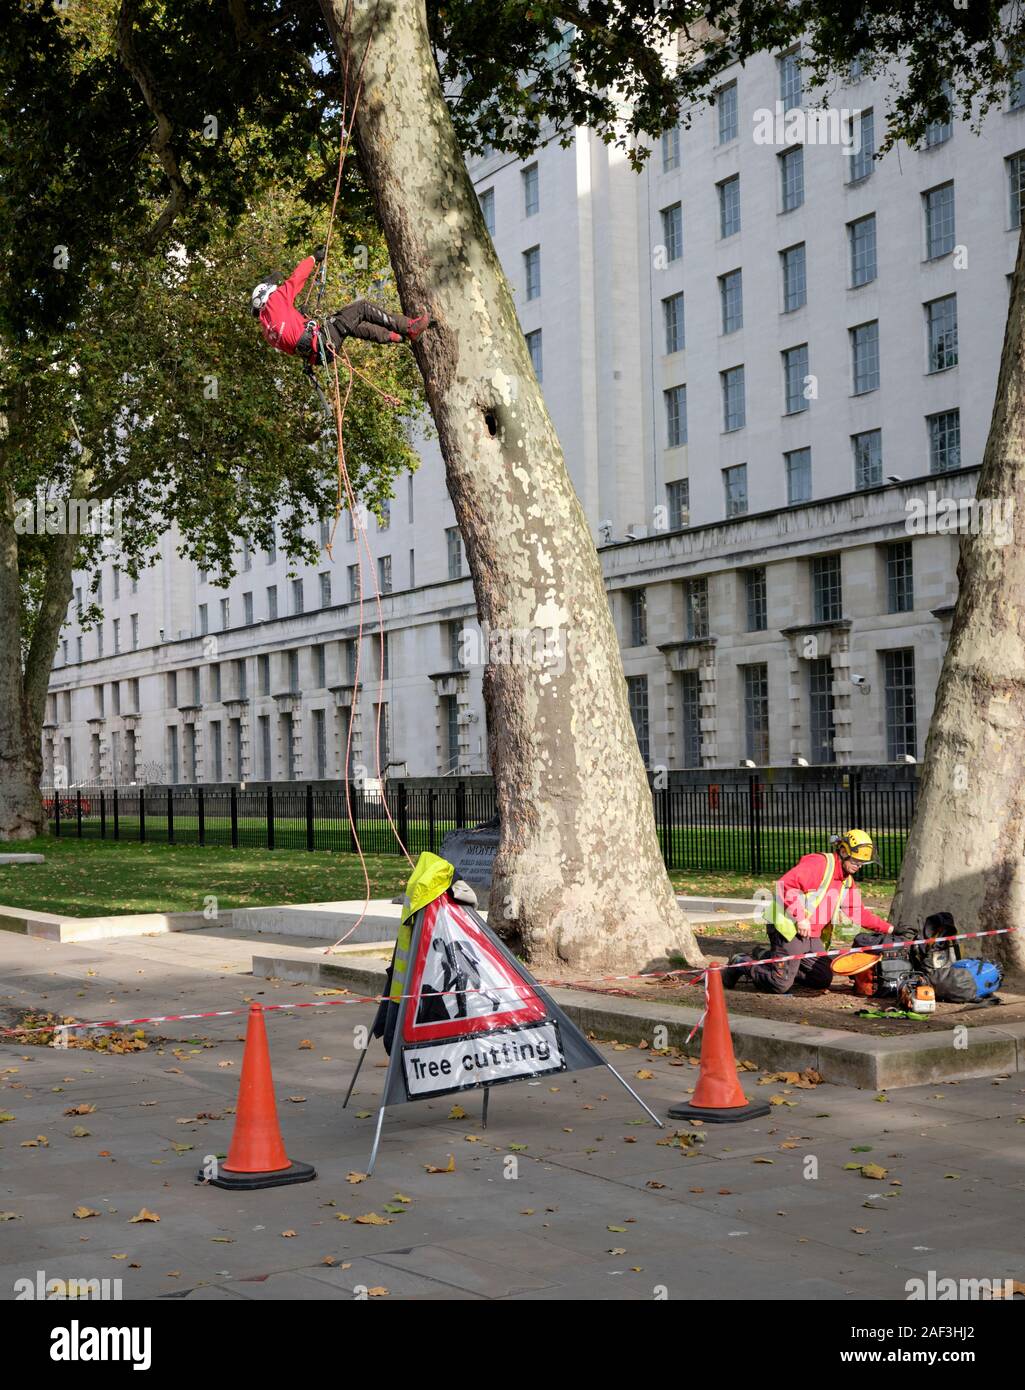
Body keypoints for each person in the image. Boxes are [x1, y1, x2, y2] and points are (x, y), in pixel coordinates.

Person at [725, 828, 895, 994]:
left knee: (821, 978)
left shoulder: (846, 881)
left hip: (811, 935)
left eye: (862, 863)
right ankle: (741, 962)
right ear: (843, 852)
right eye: (856, 861)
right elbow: (785, 885)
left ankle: (769, 959)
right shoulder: (819, 864)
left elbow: (858, 913)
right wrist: (800, 918)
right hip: (788, 928)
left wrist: (890, 929)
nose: (859, 866)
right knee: (780, 984)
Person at [250, 247, 431, 367]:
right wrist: (313, 258)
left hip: (320, 355)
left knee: (349, 324)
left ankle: (394, 337)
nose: (277, 289)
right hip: (321, 342)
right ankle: (409, 327)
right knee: (362, 308)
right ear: (267, 294)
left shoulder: (268, 332)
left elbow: (291, 339)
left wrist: (301, 319)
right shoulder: (274, 302)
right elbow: (296, 279)